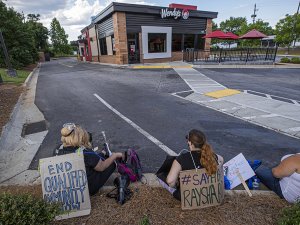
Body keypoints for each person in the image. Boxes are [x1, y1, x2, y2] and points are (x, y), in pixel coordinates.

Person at [156, 129, 223, 200]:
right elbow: (221, 159)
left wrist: (177, 182)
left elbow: (170, 181)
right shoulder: (212, 156)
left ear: (190, 143)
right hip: (209, 194)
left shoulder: (181, 159)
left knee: (160, 177)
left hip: (189, 198)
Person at [60, 123, 123, 195]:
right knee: (112, 162)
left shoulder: (59, 151)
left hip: (69, 189)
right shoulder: (85, 153)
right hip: (88, 189)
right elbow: (102, 167)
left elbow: (92, 159)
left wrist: (102, 153)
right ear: (79, 138)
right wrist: (115, 155)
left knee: (97, 159)